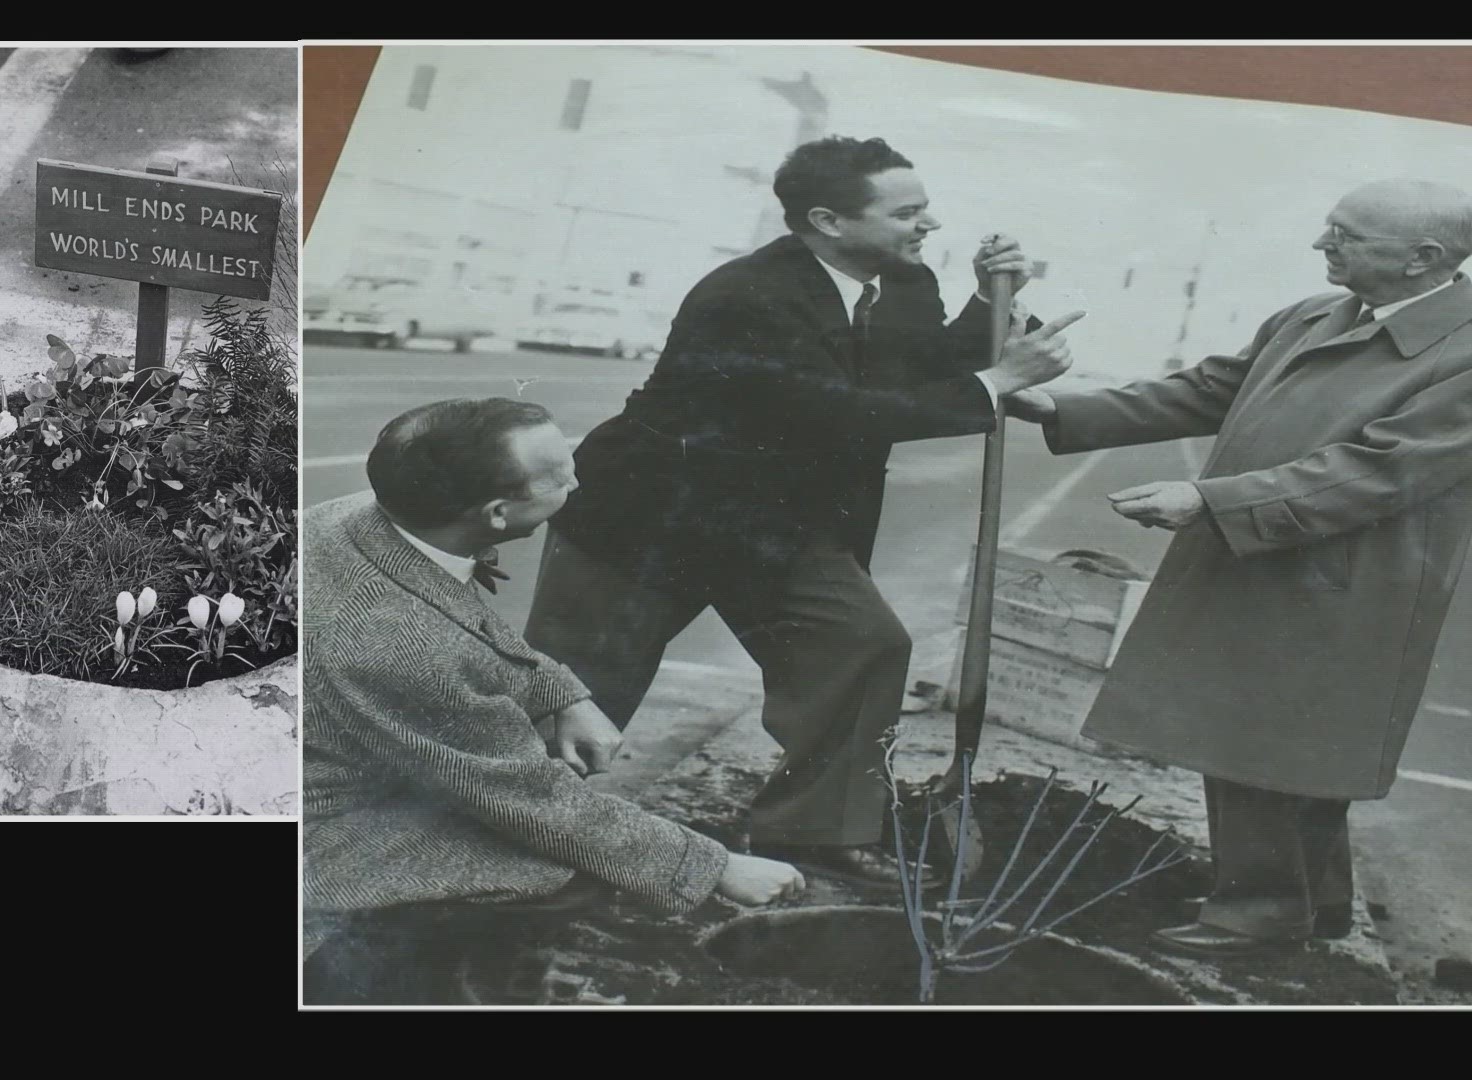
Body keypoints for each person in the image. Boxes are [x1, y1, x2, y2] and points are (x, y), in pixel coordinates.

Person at [523, 135, 1085, 891]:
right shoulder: (746, 295)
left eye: (926, 210)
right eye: (907, 212)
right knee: (579, 691)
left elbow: (920, 363)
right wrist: (997, 382)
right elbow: (832, 412)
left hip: (773, 525)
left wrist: (989, 301)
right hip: (653, 519)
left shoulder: (902, 281)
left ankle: (812, 832)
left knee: (864, 646)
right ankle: (506, 831)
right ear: (828, 221)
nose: (930, 226)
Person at [1005, 179, 1472, 957]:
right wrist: (1066, 409)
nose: (1322, 244)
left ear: (1423, 259)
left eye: (1346, 234)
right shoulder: (1317, 314)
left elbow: (1378, 471)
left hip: (1350, 576)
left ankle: (1259, 911)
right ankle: (1313, 902)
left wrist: (1211, 500)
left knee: (1277, 737)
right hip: (1272, 550)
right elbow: (1214, 389)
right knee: (1280, 734)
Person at [303, 398, 806, 952]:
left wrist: (560, 696)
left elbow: (458, 620)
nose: (578, 480)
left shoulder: (359, 518)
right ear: (497, 514)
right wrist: (714, 867)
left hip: (323, 766)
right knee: (566, 870)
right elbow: (534, 802)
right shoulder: (405, 648)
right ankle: (393, 974)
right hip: (323, 833)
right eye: (560, 477)